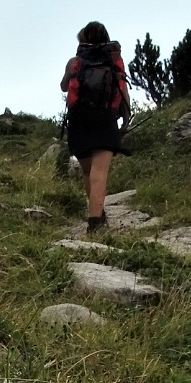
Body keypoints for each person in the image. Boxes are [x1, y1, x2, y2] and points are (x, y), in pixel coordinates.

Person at [60, 22, 132, 232]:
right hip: (105, 120)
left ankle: (96, 215)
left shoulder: (75, 62)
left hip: (79, 122)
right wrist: (126, 121)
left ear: (82, 40)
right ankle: (95, 222)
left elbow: (64, 86)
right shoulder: (113, 61)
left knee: (87, 172)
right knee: (99, 172)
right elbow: (123, 91)